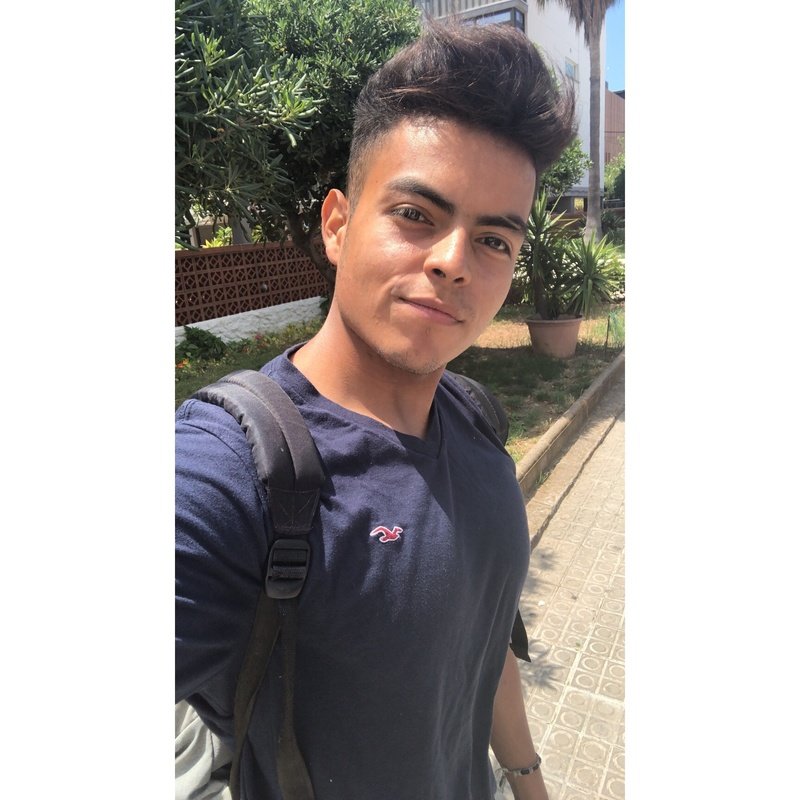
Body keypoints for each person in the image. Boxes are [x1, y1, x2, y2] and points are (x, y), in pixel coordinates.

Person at [176, 19, 575, 800]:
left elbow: (484, 632)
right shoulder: (233, 473)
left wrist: (528, 781)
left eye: (494, 240)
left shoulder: (475, 418)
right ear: (336, 224)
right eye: (416, 214)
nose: (454, 262)